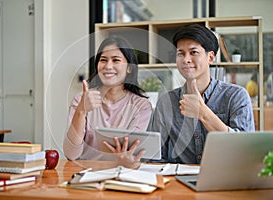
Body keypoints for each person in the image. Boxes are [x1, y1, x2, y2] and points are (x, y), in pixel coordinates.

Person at [149, 24, 255, 164]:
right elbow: (155, 156)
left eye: (193, 52)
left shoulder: (236, 96)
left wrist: (202, 112)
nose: (186, 59)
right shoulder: (166, 101)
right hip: (177, 181)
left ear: (210, 57)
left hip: (224, 179)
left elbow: (247, 150)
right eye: (181, 53)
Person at [63, 36, 152, 168]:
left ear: (129, 68)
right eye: (103, 60)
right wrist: (81, 111)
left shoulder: (141, 105)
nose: (108, 66)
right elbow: (71, 154)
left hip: (121, 172)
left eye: (116, 60)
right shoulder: (82, 99)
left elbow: (130, 152)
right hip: (84, 173)